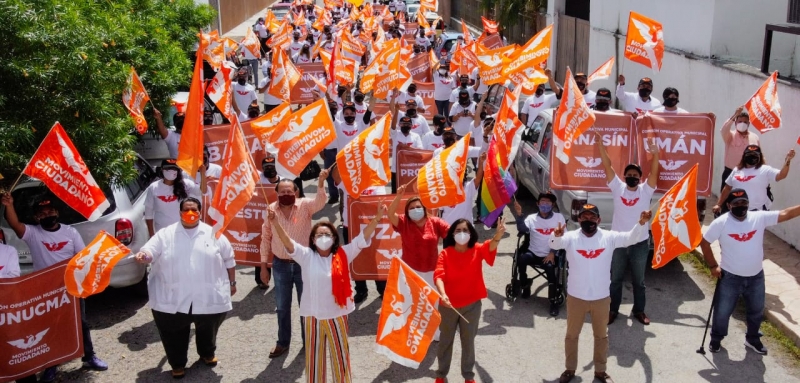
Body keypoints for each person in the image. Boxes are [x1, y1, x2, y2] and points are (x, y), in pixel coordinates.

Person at [269, 201, 385, 383]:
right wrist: (275, 222)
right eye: (319, 234)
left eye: (327, 234)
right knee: (314, 361)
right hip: (312, 317)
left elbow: (363, 237)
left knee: (340, 359)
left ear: (334, 238)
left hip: (337, 316)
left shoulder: (345, 254)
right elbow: (288, 244)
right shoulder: (306, 256)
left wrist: (377, 218)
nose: (323, 237)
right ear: (313, 239)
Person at [2, 196, 109, 382]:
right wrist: (10, 205)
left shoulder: (71, 233)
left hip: (70, 286)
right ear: (36, 218)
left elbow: (81, 257)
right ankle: (51, 365)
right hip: (45, 291)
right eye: (42, 213)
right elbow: (15, 224)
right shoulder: (32, 233)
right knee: (48, 327)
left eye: (50, 211)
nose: (47, 215)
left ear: (57, 213)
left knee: (80, 323)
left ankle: (89, 356)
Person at [134, 197, 235, 379]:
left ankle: (207, 353)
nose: (190, 213)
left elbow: (229, 259)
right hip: (172, 296)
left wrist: (233, 283)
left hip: (207, 296)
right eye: (186, 210)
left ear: (200, 212)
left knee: (209, 327)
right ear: (180, 212)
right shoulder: (165, 234)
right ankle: (177, 364)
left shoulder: (214, 234)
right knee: (173, 332)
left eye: (194, 210)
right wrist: (144, 256)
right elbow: (150, 251)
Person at [550, 204, 652, 383]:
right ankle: (569, 369)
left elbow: (630, 238)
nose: (588, 220)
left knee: (601, 336)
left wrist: (641, 223)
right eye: (584, 217)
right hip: (576, 297)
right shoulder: (571, 237)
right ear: (579, 219)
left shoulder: (609, 237)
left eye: (592, 217)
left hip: (601, 298)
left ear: (599, 220)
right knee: (572, 336)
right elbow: (555, 244)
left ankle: (600, 371)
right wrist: (555, 236)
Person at [701, 188, 800, 354]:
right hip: (729, 277)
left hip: (756, 277)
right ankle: (716, 339)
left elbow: (786, 214)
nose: (741, 206)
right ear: (728, 205)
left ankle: (752, 339)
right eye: (736, 203)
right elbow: (704, 243)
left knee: (756, 311)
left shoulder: (759, 217)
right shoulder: (721, 222)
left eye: (744, 202)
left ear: (748, 203)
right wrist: (712, 266)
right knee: (722, 312)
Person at [260, 171, 329, 359]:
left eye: (289, 191)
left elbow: (320, 203)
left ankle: (309, 343)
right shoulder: (270, 211)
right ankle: (283, 343)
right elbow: (266, 237)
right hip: (280, 265)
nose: (285, 195)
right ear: (276, 193)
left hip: (303, 265)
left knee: (306, 305)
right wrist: (264, 265)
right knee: (282, 307)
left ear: (296, 192)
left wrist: (321, 181)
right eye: (281, 192)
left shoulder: (305, 206)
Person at [433, 217, 505, 383]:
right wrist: (443, 294)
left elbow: (490, 247)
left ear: (471, 233)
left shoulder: (477, 250)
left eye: (465, 230)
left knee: (468, 343)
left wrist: (498, 235)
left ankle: (468, 376)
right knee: (445, 342)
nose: (462, 233)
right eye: (458, 230)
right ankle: (441, 375)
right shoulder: (445, 253)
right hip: (448, 306)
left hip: (471, 306)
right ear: (452, 234)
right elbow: (438, 276)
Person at [597, 134, 660, 325]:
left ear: (640, 178)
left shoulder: (645, 190)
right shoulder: (617, 187)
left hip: (640, 243)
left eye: (635, 175)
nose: (632, 177)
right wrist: (600, 145)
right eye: (629, 175)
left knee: (638, 282)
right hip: (618, 242)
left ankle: (639, 311)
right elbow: (607, 165)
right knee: (615, 279)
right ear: (624, 176)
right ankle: (613, 310)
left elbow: (654, 173)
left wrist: (655, 154)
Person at [513, 191, 566, 316]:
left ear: (552, 205)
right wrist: (520, 215)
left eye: (548, 202)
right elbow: (523, 230)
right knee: (521, 259)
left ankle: (553, 302)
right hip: (533, 252)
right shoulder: (532, 218)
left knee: (550, 269)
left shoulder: (559, 218)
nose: (545, 204)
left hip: (551, 254)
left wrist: (553, 252)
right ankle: (525, 284)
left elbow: (563, 238)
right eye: (543, 201)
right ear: (538, 203)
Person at [714, 145, 794, 214]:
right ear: (744, 156)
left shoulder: (765, 169)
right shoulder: (737, 170)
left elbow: (781, 175)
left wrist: (788, 160)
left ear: (760, 156)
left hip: (757, 211)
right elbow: (727, 188)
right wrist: (719, 204)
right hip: (737, 210)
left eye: (755, 155)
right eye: (749, 154)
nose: (752, 156)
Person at [145, 159, 203, 237]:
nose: (171, 171)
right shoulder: (153, 187)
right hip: (162, 231)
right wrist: (151, 234)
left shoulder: (185, 184)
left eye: (174, 169)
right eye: (168, 169)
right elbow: (148, 213)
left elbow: (202, 191)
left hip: (183, 229)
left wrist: (203, 173)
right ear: (162, 170)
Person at [719, 107, 761, 193]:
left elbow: (759, 155)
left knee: (746, 199)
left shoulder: (755, 137)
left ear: (749, 123)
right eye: (740, 121)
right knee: (727, 200)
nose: (742, 124)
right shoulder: (730, 136)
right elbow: (723, 129)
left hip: (749, 173)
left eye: (745, 122)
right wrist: (735, 115)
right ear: (735, 123)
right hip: (731, 173)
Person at [440, 152, 486, 225]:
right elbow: (440, 211)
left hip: (466, 229)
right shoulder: (442, 190)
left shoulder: (469, 186)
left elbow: (478, 178)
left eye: (460, 173)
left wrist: (481, 163)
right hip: (448, 228)